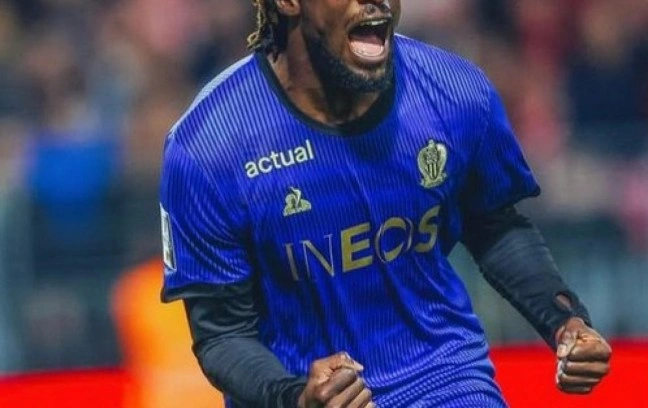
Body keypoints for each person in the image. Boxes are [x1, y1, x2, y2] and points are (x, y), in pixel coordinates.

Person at [159, 0, 612, 407]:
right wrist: (294, 396)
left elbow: (494, 226)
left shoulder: (455, 93)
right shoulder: (208, 146)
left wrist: (565, 321)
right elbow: (222, 334)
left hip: (446, 380)